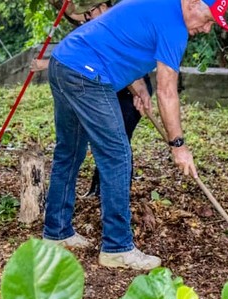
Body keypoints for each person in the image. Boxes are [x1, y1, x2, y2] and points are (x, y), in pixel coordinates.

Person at [42, 0, 228, 270]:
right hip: (87, 73)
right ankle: (117, 247)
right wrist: (178, 145)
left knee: (69, 151)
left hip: (64, 62)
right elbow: (167, 91)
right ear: (192, 3)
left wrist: (138, 86)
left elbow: (120, 40)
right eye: (208, 19)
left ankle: (56, 233)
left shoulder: (159, 5)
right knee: (117, 157)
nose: (207, 29)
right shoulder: (175, 27)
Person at [31, 0, 153, 197]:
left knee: (117, 143)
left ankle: (112, 195)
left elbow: (120, 59)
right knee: (103, 143)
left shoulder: (117, 21)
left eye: (89, 13)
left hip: (131, 89)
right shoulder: (94, 21)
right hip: (106, 85)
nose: (86, 18)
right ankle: (98, 190)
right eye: (85, 15)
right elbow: (78, 45)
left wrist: (45, 64)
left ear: (103, 6)